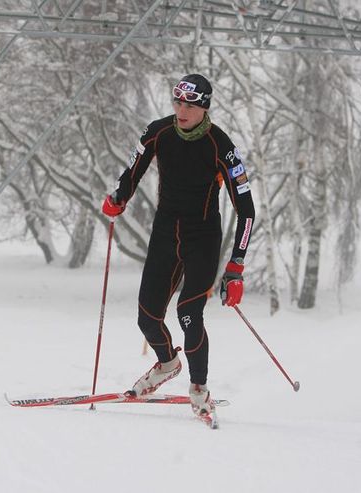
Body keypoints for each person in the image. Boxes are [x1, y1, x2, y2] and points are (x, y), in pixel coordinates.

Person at [101, 74, 255, 417]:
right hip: (166, 233)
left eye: (190, 104)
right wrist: (119, 197)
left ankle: (199, 388)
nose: (182, 110)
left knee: (188, 312)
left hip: (202, 238)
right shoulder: (159, 132)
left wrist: (236, 267)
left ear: (205, 107)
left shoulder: (221, 146)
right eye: (177, 102)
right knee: (148, 317)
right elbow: (133, 169)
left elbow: (246, 211)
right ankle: (168, 363)